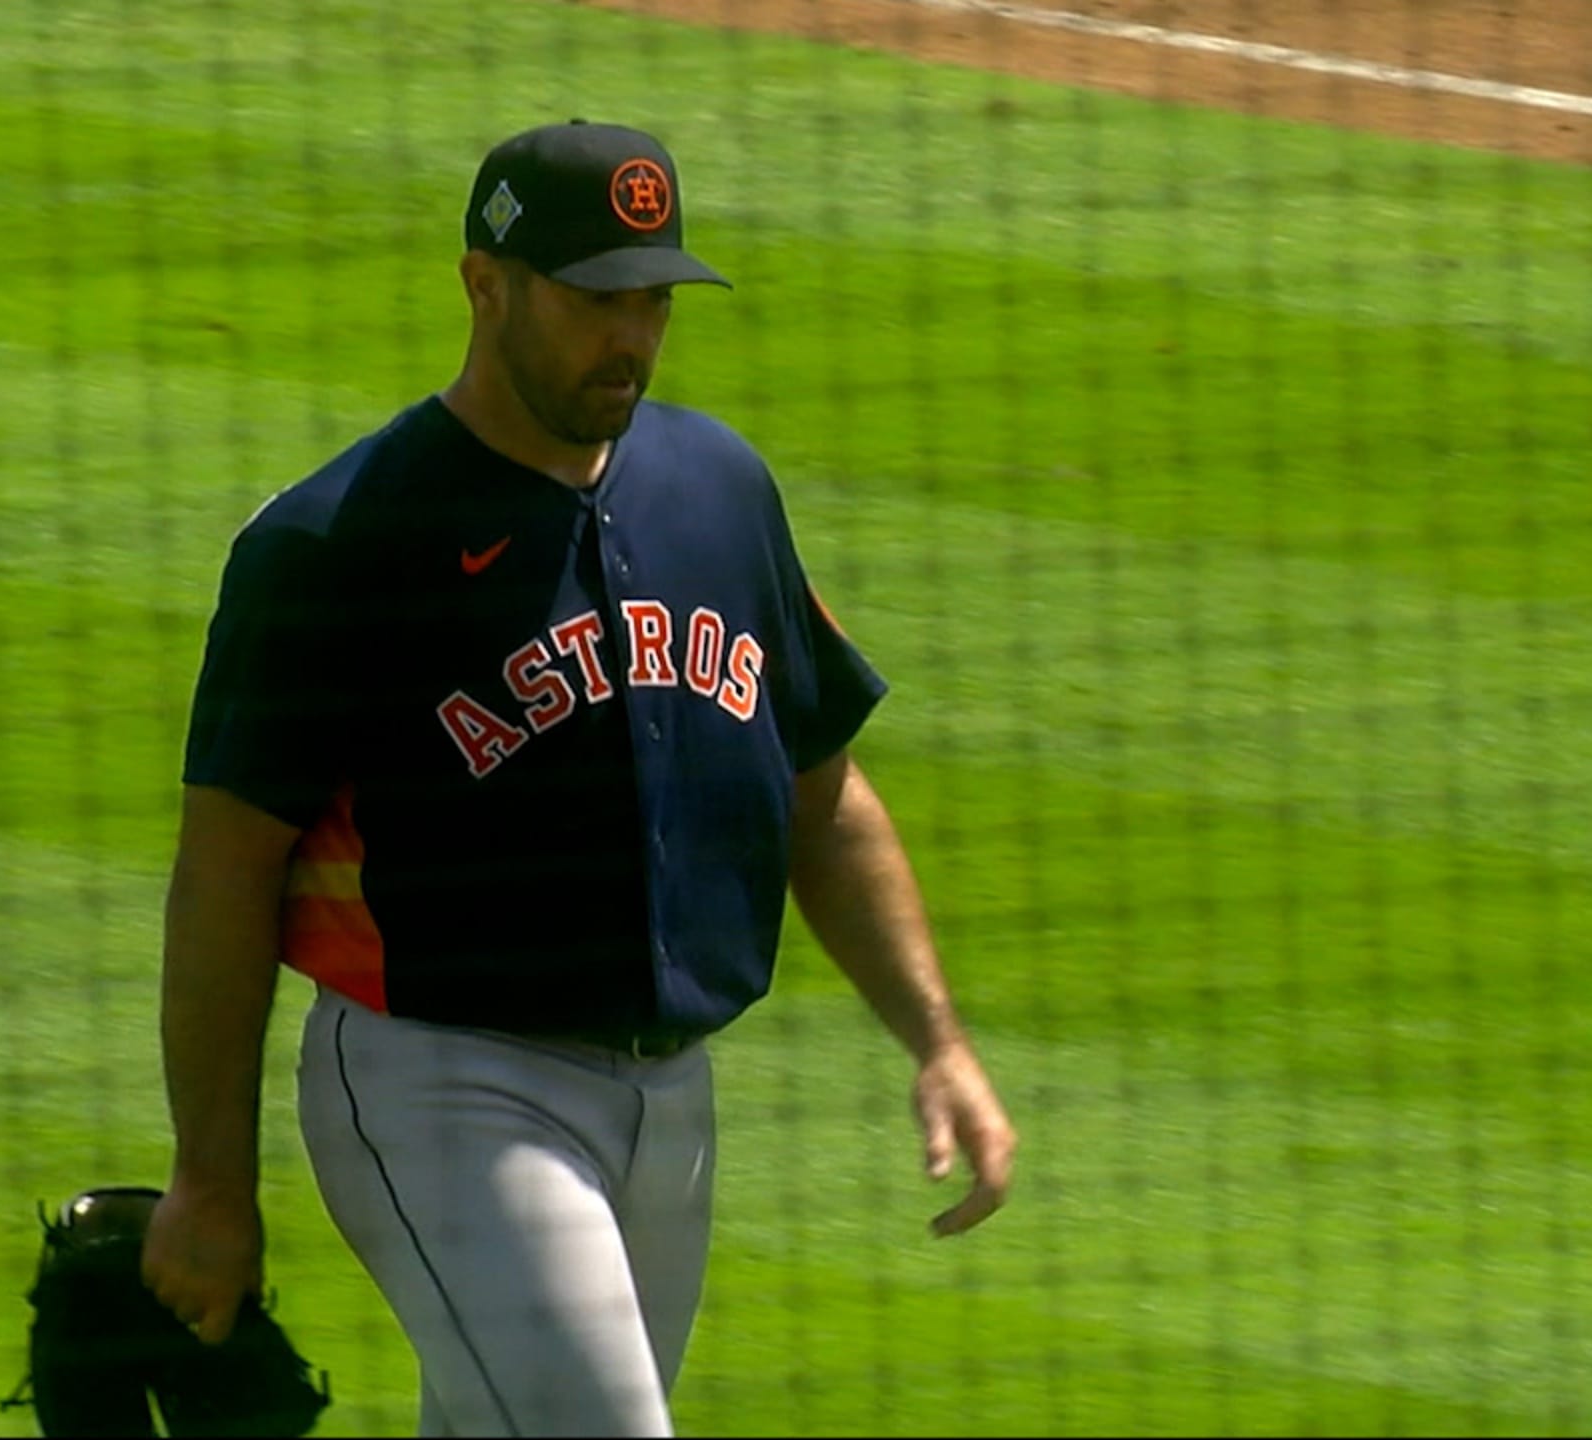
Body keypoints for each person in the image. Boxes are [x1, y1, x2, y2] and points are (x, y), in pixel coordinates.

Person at [140, 118, 1018, 1438]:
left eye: (655, 298)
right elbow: (223, 873)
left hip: (673, 1109)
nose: (633, 336)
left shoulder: (719, 491)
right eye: (596, 297)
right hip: (443, 1087)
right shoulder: (341, 542)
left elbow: (823, 802)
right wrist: (210, 1180)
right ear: (484, 285)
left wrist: (937, 1041)